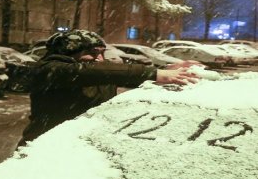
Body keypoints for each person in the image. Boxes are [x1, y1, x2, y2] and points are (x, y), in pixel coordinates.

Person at [19, 29, 199, 145]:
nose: (99, 59)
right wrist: (155, 73)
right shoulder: (50, 70)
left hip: (81, 146)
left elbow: (121, 74)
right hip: (43, 146)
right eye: (91, 53)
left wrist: (165, 70)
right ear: (69, 53)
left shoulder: (100, 73)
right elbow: (83, 72)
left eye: (101, 53)